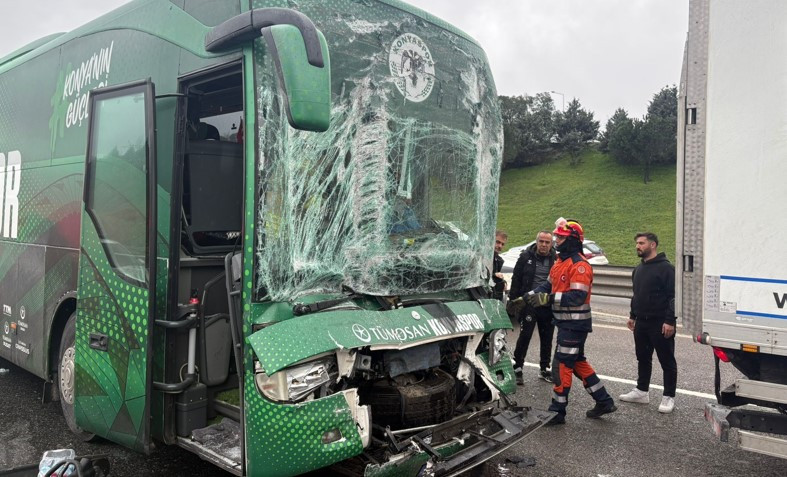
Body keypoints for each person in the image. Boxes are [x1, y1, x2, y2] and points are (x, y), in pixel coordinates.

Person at [527, 217, 616, 424]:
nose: (557, 241)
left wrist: (547, 300)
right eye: (557, 237)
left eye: (561, 238)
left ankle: (557, 412)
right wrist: (527, 297)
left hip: (575, 325)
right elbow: (547, 286)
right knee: (576, 362)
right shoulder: (560, 263)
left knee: (561, 365)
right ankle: (604, 401)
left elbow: (576, 297)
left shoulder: (580, 266)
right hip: (566, 324)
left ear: (573, 241)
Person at [619, 232, 677, 414]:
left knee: (666, 361)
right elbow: (637, 294)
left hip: (660, 323)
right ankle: (642, 391)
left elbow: (674, 297)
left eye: (641, 243)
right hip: (641, 323)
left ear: (653, 245)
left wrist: (670, 320)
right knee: (643, 358)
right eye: (637, 243)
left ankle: (669, 396)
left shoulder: (667, 268)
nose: (638, 246)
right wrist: (632, 315)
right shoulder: (639, 268)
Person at [510, 230, 557, 384]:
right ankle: (517, 367)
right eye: (541, 241)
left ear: (551, 244)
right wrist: (513, 301)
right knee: (525, 335)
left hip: (546, 303)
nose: (544, 245)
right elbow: (516, 278)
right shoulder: (525, 257)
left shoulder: (556, 259)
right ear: (537, 242)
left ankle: (544, 368)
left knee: (547, 337)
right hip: (529, 303)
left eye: (547, 242)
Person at [491, 230, 508, 301]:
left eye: (502, 244)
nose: (500, 246)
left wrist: (503, 282)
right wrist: (494, 275)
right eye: (497, 242)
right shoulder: (480, 257)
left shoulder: (499, 261)